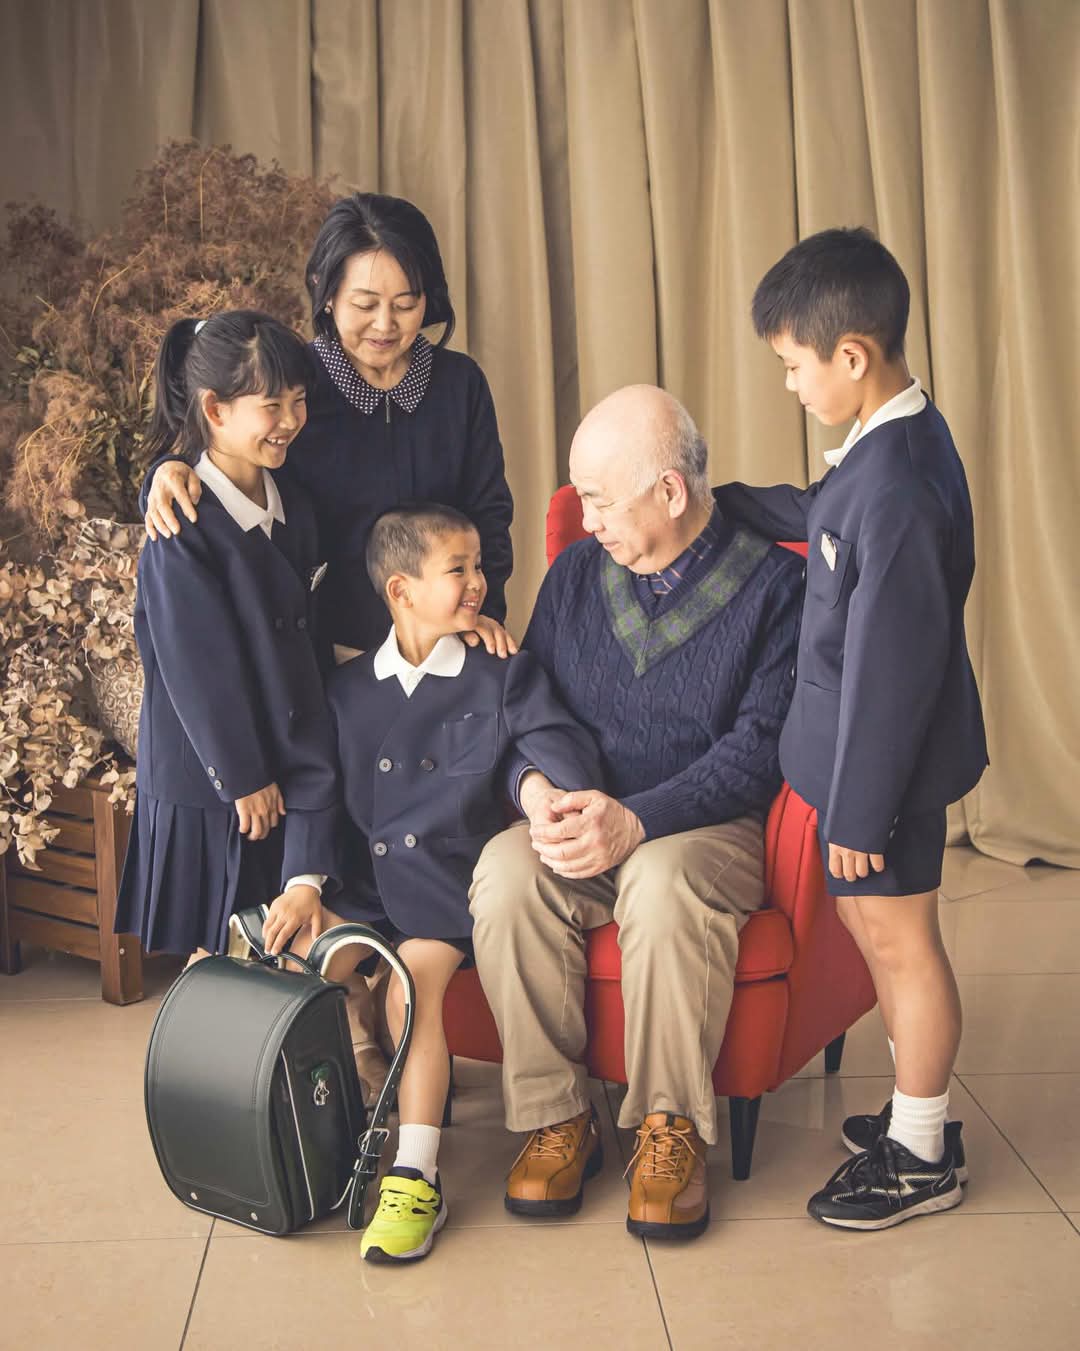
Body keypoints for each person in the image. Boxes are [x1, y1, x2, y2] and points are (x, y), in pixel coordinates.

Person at [139, 194, 517, 1087]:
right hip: (330, 668)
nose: (386, 324)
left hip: (437, 659)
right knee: (332, 858)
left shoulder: (458, 386)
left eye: (406, 302)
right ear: (326, 297)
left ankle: (404, 1019)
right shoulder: (295, 382)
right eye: (363, 303)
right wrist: (164, 468)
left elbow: (490, 512)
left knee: (419, 841)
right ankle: (345, 1034)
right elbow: (225, 454)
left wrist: (474, 602)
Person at [469, 385, 804, 1240]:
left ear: (671, 491)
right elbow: (526, 707)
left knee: (656, 877)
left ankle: (669, 1127)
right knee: (506, 869)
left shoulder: (777, 586)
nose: (583, 520)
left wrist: (637, 819)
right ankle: (557, 1116)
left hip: (707, 826)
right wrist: (535, 790)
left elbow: (760, 751)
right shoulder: (578, 573)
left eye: (598, 500)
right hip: (588, 814)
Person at [714, 226, 988, 1230]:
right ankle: (916, 1113)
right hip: (851, 772)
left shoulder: (901, 487)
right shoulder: (884, 444)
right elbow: (822, 509)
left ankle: (923, 1155)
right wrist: (719, 500)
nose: (790, 384)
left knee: (904, 945)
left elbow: (894, 675)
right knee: (877, 935)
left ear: (853, 355)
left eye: (794, 366)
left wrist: (862, 812)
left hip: (883, 779)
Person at [320, 502, 602, 1263]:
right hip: (364, 888)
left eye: (479, 565)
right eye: (459, 569)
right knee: (300, 967)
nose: (479, 581)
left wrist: (536, 781)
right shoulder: (347, 690)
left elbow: (563, 755)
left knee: (411, 989)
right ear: (401, 591)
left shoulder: (500, 672)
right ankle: (319, 1132)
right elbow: (319, 798)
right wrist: (304, 885)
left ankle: (415, 1175)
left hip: (446, 893)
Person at [115, 311, 351, 975]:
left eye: (298, 401)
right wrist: (243, 775)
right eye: (271, 405)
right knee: (214, 952)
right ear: (215, 410)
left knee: (271, 943)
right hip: (211, 773)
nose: (290, 420)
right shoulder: (180, 523)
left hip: (286, 753)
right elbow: (195, 666)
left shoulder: (295, 501)